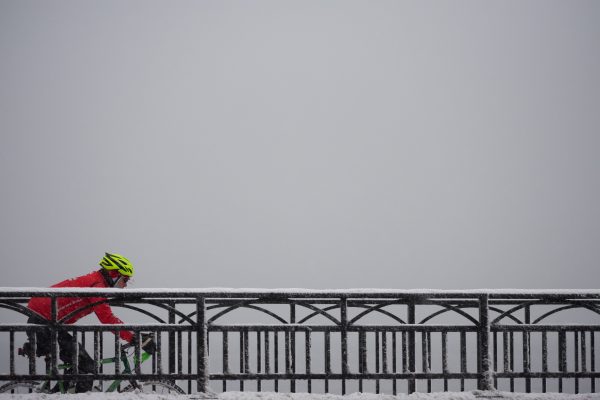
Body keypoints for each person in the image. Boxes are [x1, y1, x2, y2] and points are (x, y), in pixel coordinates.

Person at [25, 252, 156, 392]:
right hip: (44, 323)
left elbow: (105, 308)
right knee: (87, 366)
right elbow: (107, 318)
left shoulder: (96, 282)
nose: (125, 286)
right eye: (124, 280)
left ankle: (60, 393)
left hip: (45, 322)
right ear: (113, 274)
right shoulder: (96, 286)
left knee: (77, 363)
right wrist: (135, 338)